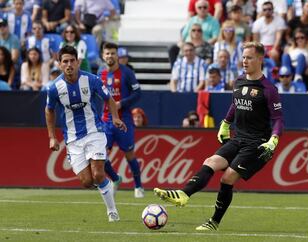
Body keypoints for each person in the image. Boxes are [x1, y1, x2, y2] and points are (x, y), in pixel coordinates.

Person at [154, 41, 284, 231]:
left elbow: (278, 119)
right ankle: (183, 194)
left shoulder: (269, 90)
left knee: (227, 178)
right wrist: (225, 123)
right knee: (211, 161)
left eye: (249, 57)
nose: (244, 61)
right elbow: (235, 104)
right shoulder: (239, 81)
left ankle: (213, 222)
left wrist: (274, 140)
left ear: (260, 59)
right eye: (243, 57)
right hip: (238, 138)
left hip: (257, 144)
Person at [45, 45, 126, 222]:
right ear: (59, 64)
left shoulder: (92, 80)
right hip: (73, 139)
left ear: (78, 62)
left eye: (72, 61)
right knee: (87, 182)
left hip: (94, 132)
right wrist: (52, 137)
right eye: (65, 61)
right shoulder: (54, 88)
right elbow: (49, 110)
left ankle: (112, 211)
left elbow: (109, 99)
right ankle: (106, 181)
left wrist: (115, 117)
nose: (69, 65)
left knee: (98, 174)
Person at [99, 42, 145, 198]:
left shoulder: (127, 73)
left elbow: (138, 94)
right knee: (101, 154)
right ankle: (116, 178)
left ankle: (138, 186)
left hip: (124, 119)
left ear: (117, 55)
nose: (110, 56)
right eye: (107, 53)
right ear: (102, 56)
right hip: (105, 120)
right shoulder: (100, 73)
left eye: (113, 53)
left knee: (129, 154)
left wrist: (121, 103)